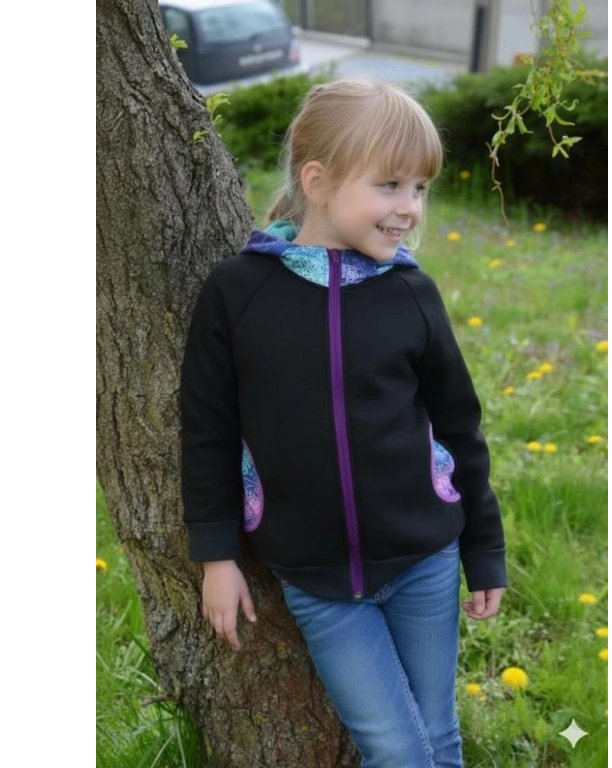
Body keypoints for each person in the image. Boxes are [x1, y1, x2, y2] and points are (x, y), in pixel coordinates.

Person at [180, 77, 507, 768]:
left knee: (438, 737)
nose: (410, 207)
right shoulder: (238, 293)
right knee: (395, 749)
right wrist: (216, 555)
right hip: (317, 580)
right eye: (390, 185)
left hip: (425, 561)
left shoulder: (411, 293)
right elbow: (208, 430)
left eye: (420, 188)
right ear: (317, 180)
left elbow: (459, 426)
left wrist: (484, 551)